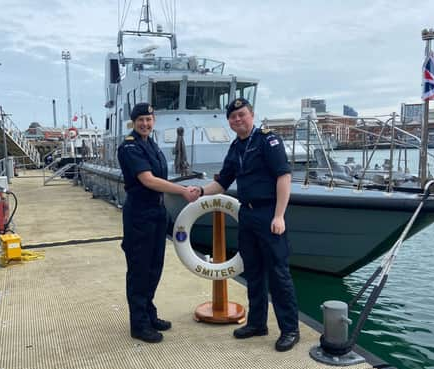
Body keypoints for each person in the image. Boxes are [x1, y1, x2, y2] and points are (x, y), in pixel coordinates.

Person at [196, 98, 300, 352]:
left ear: (251, 115)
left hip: (268, 214)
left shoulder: (268, 140)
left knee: (278, 273)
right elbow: (222, 184)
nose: (238, 120)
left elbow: (283, 176)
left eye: (242, 114)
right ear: (229, 122)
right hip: (247, 215)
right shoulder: (235, 148)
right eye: (233, 117)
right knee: (252, 271)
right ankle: (257, 323)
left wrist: (279, 216)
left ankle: (290, 329)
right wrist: (198, 191)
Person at [117, 102, 199, 343]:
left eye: (149, 119)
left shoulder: (150, 144)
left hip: (156, 212)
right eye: (141, 120)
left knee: (154, 268)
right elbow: (149, 180)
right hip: (140, 215)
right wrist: (182, 191)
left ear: (154, 121)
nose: (145, 124)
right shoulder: (130, 147)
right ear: (134, 122)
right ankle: (139, 325)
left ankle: (149, 313)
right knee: (140, 270)